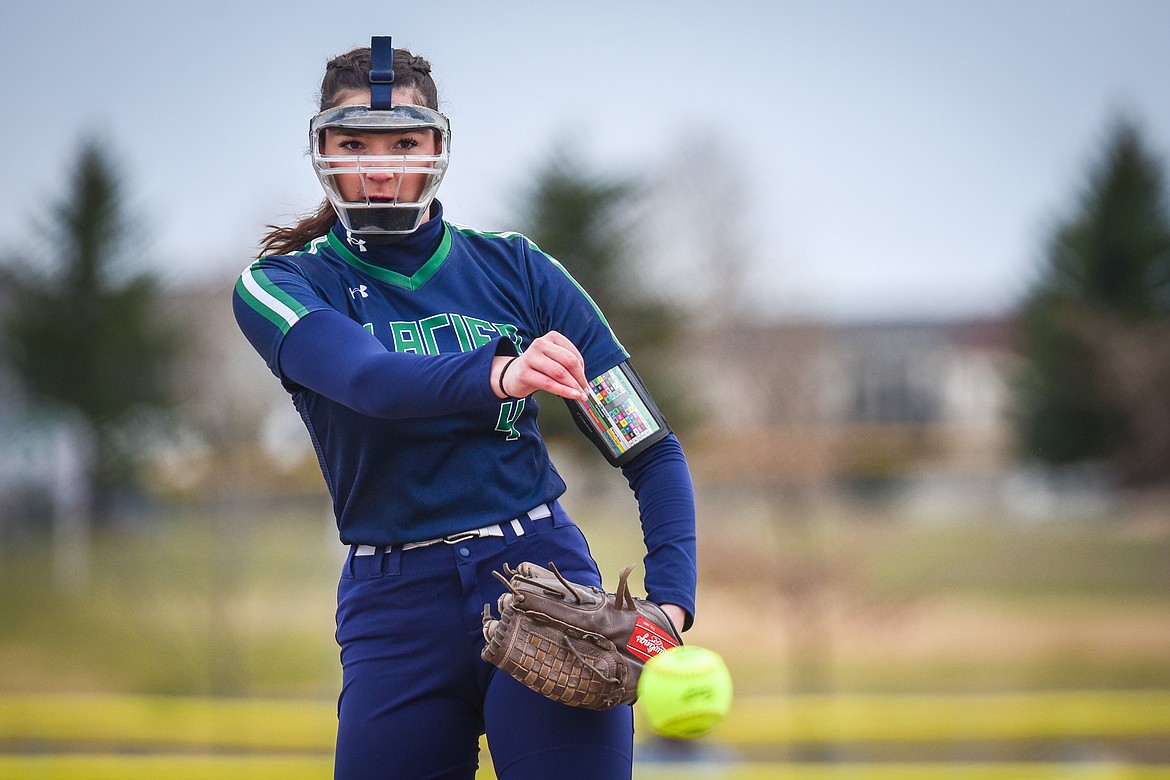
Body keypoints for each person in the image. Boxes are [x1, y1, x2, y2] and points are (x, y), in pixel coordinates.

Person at [233, 37, 697, 780]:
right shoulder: (282, 286)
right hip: (393, 608)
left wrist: (671, 607)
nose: (379, 169)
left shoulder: (518, 269)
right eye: (354, 143)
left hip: (541, 583)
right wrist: (502, 373)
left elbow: (649, 449)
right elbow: (372, 384)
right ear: (322, 149)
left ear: (437, 146)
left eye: (403, 142)